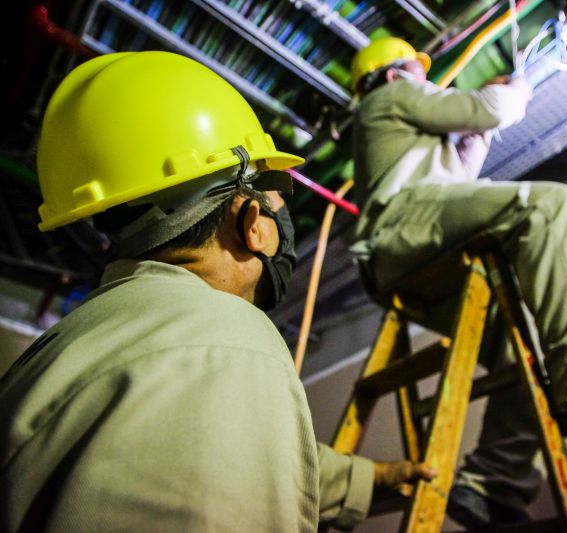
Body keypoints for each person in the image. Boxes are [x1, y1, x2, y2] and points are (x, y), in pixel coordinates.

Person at [0, 51, 434, 532]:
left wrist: (367, 479)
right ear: (253, 226)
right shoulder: (226, 336)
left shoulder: (81, 343)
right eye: (276, 205)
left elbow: (201, 447)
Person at [349, 37, 567, 528]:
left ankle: (491, 483)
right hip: (402, 227)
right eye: (417, 72)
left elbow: (460, 177)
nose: (425, 78)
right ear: (396, 75)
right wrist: (515, 90)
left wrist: (478, 128)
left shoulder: (403, 130)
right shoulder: (390, 97)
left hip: (411, 245)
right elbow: (490, 109)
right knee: (549, 207)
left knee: (515, 351)